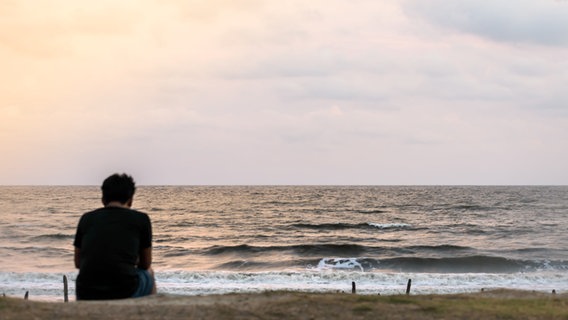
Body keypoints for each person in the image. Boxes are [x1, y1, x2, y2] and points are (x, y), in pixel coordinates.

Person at [73, 173, 156, 300]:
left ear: (103, 199)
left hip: (86, 292)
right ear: (131, 200)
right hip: (125, 291)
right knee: (149, 272)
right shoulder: (141, 219)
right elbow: (145, 264)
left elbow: (78, 263)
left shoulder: (86, 219)